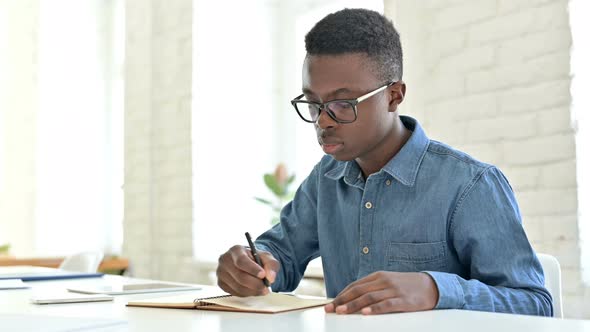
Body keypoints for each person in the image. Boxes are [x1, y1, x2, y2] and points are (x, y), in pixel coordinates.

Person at [216, 8, 552, 316]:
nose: (322, 121)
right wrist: (254, 264)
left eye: (343, 103)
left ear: (394, 96)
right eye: (313, 103)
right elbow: (281, 257)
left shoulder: (470, 185)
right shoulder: (327, 178)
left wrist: (435, 290)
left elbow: (535, 304)